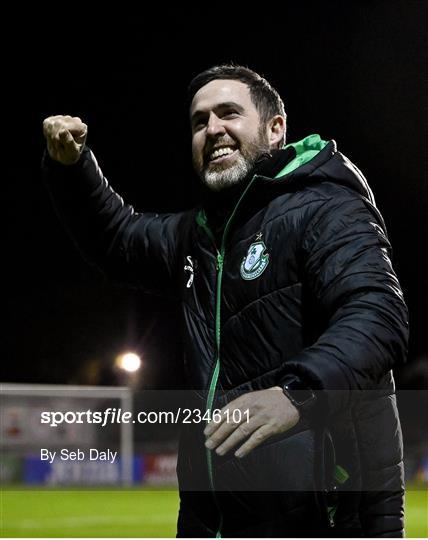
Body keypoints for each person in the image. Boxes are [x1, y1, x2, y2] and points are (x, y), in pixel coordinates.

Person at [42, 64, 409, 537]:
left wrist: (299, 393)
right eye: (199, 121)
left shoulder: (327, 208)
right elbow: (115, 239)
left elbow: (377, 314)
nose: (212, 129)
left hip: (323, 518)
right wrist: (72, 170)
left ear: (275, 129)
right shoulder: (197, 235)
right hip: (211, 519)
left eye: (228, 113)